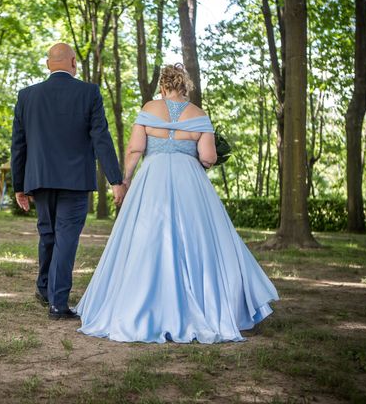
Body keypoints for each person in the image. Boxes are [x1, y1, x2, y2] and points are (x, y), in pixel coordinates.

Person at [76, 63, 279, 343]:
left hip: (152, 177)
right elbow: (207, 157)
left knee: (145, 238)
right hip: (189, 181)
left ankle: (137, 306)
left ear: (163, 86)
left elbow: (135, 148)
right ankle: (204, 304)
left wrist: (124, 180)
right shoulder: (198, 114)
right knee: (199, 240)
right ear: (186, 87)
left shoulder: (149, 109)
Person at [10, 43, 126, 320]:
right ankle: (57, 303)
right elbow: (101, 137)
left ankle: (44, 289)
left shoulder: (27, 96)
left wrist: (19, 185)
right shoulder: (89, 93)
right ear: (74, 63)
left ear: (48, 64)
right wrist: (115, 179)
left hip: (39, 178)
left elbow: (18, 145)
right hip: (75, 180)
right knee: (66, 240)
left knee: (48, 234)